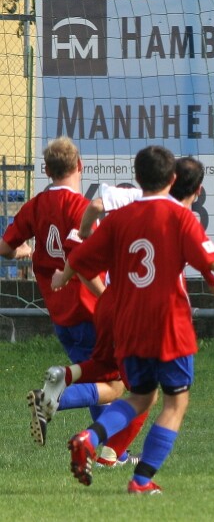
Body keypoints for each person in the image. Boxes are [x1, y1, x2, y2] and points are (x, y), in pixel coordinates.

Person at [32, 156, 214, 464]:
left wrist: (77, 251)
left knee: (112, 375)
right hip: (152, 315)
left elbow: (90, 221)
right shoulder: (180, 219)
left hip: (112, 305)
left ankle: (70, 388)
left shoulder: (131, 200)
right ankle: (105, 448)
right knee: (142, 393)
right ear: (196, 191)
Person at [0, 136, 114, 444]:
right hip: (89, 308)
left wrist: (23, 251)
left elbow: (5, 248)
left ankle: (110, 451)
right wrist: (109, 300)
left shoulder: (35, 206)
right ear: (80, 165)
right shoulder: (81, 209)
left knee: (96, 378)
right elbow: (85, 264)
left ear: (47, 171)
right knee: (116, 382)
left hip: (60, 314)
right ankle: (51, 400)